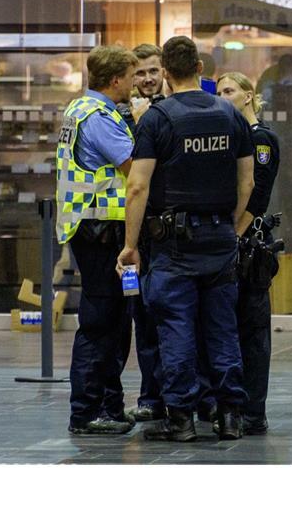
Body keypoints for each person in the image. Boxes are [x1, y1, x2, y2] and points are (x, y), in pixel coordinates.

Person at [118, 36, 254, 441]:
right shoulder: (229, 114)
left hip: (173, 243)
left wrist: (130, 245)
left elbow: (137, 187)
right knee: (222, 328)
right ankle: (230, 415)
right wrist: (228, 221)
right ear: (199, 67)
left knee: (175, 328)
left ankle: (180, 419)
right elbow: (247, 180)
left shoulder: (158, 119)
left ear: (166, 73)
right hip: (219, 238)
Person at [56, 46, 140, 435]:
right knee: (101, 321)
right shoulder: (100, 118)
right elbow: (133, 168)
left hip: (91, 225)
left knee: (112, 321)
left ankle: (106, 405)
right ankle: (86, 411)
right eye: (131, 75)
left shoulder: (79, 109)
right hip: (101, 227)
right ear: (115, 79)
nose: (136, 81)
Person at [217, 71, 281, 434]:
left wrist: (235, 234)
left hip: (249, 244)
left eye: (230, 90)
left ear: (248, 95)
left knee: (253, 332)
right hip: (226, 240)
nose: (223, 96)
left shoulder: (261, 140)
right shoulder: (228, 138)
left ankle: (254, 411)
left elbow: (258, 193)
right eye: (219, 90)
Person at [114, 42, 165, 424]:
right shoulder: (119, 116)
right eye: (141, 73)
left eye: (153, 71)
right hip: (132, 230)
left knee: (174, 316)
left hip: (167, 227)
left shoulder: (173, 110)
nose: (147, 79)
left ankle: (179, 394)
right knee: (142, 316)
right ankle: (150, 396)